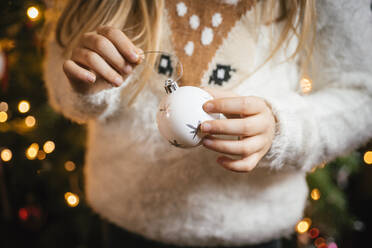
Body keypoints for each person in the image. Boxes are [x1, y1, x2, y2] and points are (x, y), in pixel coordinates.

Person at [43, 0, 372, 247]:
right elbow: (63, 82)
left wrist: (282, 129)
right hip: (127, 226)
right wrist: (87, 85)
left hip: (256, 229)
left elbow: (362, 94)